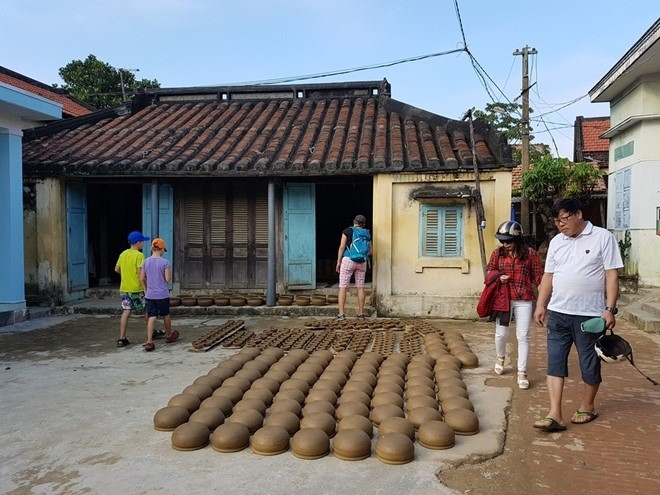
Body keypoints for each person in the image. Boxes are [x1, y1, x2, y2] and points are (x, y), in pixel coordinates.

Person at [533, 198, 623, 432]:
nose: (560, 224)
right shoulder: (556, 242)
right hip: (559, 313)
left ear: (579, 214)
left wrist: (610, 309)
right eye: (556, 221)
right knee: (554, 362)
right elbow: (548, 277)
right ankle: (555, 414)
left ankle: (588, 405)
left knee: (589, 363)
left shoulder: (603, 237)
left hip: (589, 316)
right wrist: (541, 305)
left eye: (564, 219)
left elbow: (611, 276)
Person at [487, 220, 544, 389]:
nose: (505, 244)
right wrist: (498, 276)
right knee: (501, 334)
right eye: (502, 241)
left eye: (508, 241)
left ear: (517, 239)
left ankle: (522, 372)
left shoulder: (531, 254)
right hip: (504, 299)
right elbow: (489, 271)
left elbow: (539, 279)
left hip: (524, 299)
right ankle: (500, 357)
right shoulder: (497, 254)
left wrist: (542, 303)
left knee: (523, 336)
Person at [139, 238, 178, 352]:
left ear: (152, 248)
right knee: (165, 314)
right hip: (162, 294)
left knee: (152, 317)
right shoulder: (165, 262)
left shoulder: (145, 262)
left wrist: (146, 289)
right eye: (163, 250)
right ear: (161, 249)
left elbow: (141, 278)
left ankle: (149, 341)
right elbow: (167, 279)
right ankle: (169, 335)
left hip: (150, 295)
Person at [114, 231, 149, 347]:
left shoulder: (123, 254)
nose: (143, 244)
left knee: (126, 311)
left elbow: (117, 269)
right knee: (146, 310)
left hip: (124, 288)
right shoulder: (139, 255)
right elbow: (140, 275)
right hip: (136, 289)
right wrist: (145, 288)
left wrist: (126, 276)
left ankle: (121, 338)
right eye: (142, 242)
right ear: (138, 243)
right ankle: (151, 332)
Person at [335, 214, 372, 320]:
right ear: (364, 224)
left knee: (343, 287)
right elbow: (371, 251)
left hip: (348, 260)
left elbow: (342, 247)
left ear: (354, 221)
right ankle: (361, 313)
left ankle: (341, 314)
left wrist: (338, 262)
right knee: (360, 287)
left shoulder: (347, 231)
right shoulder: (367, 234)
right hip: (362, 262)